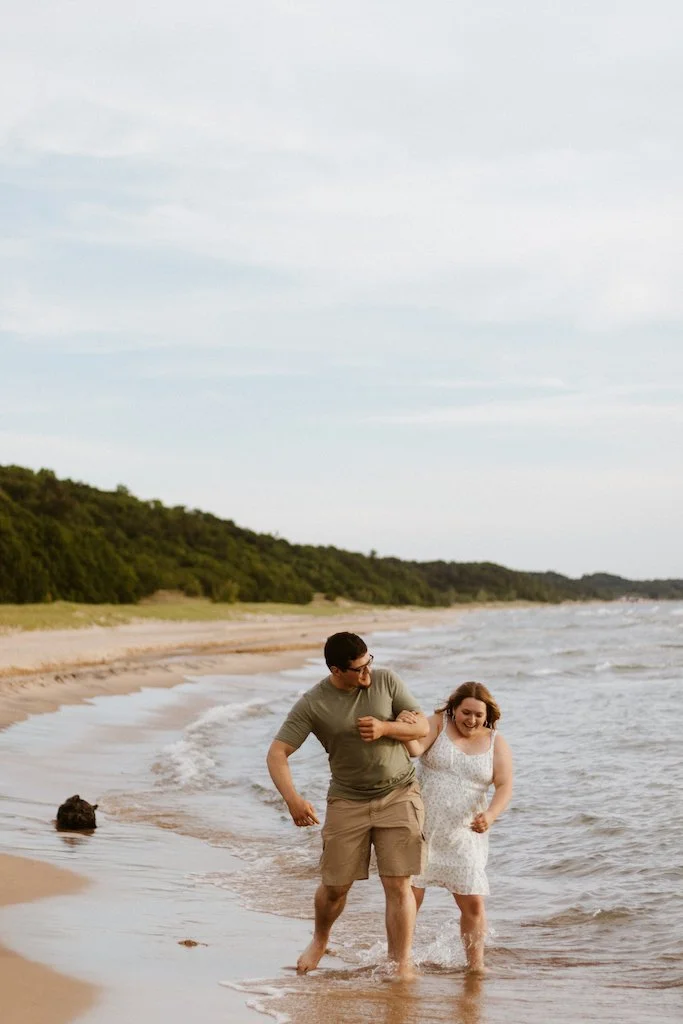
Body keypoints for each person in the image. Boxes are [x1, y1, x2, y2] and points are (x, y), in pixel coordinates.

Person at [266, 631, 430, 978]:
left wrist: (386, 728)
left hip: (400, 793)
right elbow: (277, 753)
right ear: (336, 670)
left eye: (369, 662)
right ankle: (320, 939)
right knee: (335, 887)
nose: (367, 672)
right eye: (359, 669)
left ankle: (400, 963)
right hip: (347, 800)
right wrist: (293, 800)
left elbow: (422, 727)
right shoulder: (313, 703)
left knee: (398, 884)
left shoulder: (386, 680)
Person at [399, 681, 513, 973]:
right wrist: (405, 726)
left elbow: (504, 785)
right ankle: (402, 960)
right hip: (421, 826)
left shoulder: (496, 742)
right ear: (454, 709)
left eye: (478, 715)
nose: (471, 720)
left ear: (487, 715)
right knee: (410, 896)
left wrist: (491, 814)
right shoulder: (438, 723)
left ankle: (475, 966)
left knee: (473, 902)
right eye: (466, 712)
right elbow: (414, 749)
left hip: (464, 833)